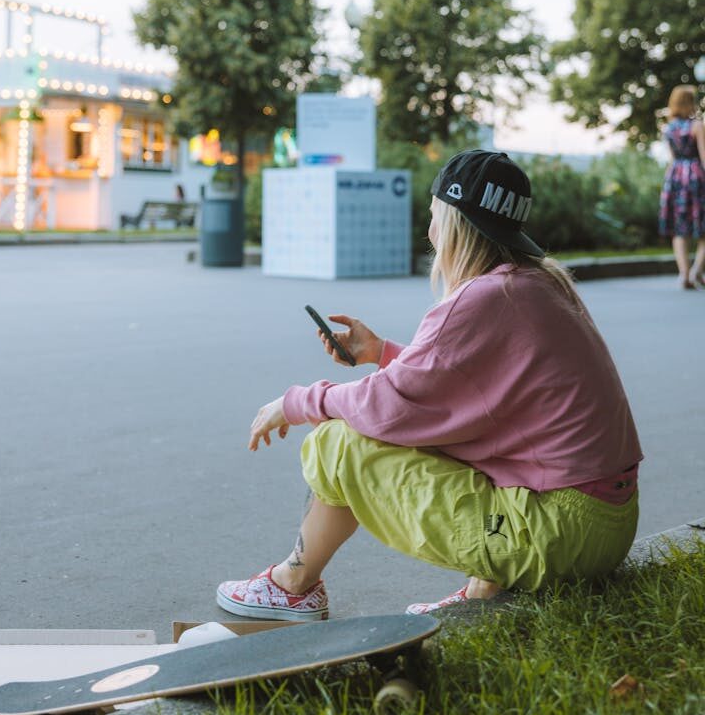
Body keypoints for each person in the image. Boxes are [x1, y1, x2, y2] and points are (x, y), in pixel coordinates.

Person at [217, 150, 642, 621]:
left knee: (338, 444)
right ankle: (486, 592)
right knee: (450, 438)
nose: (429, 231)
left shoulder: (484, 297)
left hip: (557, 536)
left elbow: (393, 407)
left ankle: (292, 586)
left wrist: (299, 402)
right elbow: (464, 390)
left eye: (433, 215)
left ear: (455, 222)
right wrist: (381, 353)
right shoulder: (538, 282)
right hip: (603, 524)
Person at [659, 85, 705, 289]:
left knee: (680, 229)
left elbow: (672, 158)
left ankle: (684, 274)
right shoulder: (697, 126)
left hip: (675, 178)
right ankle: (696, 271)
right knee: (703, 227)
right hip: (696, 178)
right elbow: (704, 158)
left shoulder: (668, 128)